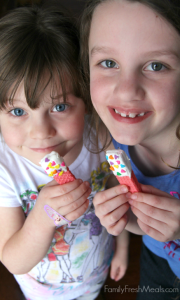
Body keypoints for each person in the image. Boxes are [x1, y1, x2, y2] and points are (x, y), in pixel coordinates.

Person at [0, 6, 129, 300]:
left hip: (95, 273)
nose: (41, 132)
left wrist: (122, 247)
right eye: (18, 111)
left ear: (85, 96)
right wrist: (43, 218)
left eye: (60, 107)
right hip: (43, 292)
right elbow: (12, 258)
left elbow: (120, 192)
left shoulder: (99, 136)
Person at [80, 0, 180, 299]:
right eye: (109, 63)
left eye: (156, 66)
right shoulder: (116, 139)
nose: (126, 91)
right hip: (157, 257)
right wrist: (135, 221)